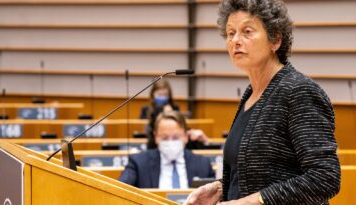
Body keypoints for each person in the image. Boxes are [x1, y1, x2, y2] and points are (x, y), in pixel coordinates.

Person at [184, 0, 341, 205]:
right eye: (231, 33)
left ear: (275, 40)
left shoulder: (298, 91)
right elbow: (263, 173)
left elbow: (325, 178)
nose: (236, 41)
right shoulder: (251, 95)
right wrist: (219, 188)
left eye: (247, 31)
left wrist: (251, 202)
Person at [119, 111, 215, 188]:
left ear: (186, 137)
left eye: (176, 138)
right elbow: (119, 191)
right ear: (156, 137)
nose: (170, 142)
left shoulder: (203, 164)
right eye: (164, 138)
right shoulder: (138, 163)